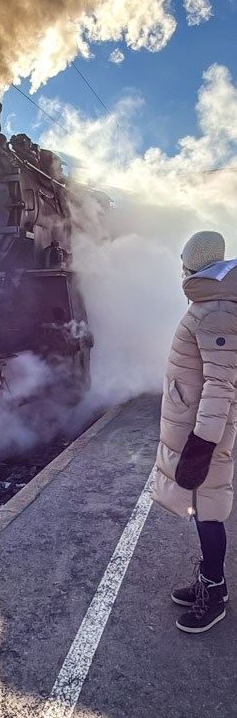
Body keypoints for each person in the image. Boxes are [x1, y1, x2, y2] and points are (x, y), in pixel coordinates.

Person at [153, 230, 237, 634]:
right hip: (195, 425)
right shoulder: (211, 302)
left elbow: (220, 385)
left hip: (202, 432)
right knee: (202, 508)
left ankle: (215, 594)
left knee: (207, 512)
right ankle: (208, 579)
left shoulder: (216, 309)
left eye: (184, 262)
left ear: (195, 266)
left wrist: (201, 445)